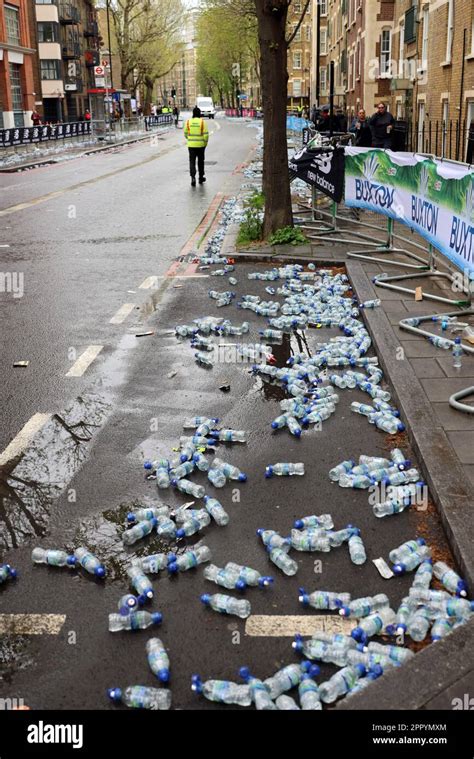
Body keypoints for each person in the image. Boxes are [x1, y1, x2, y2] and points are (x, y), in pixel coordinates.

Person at [184, 106, 209, 187]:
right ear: (199, 114)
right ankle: (201, 177)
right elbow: (206, 135)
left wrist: (190, 139)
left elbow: (185, 133)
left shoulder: (188, 122)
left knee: (192, 161)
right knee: (200, 162)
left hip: (191, 146)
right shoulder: (202, 122)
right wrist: (205, 143)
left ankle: (193, 177)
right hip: (201, 145)